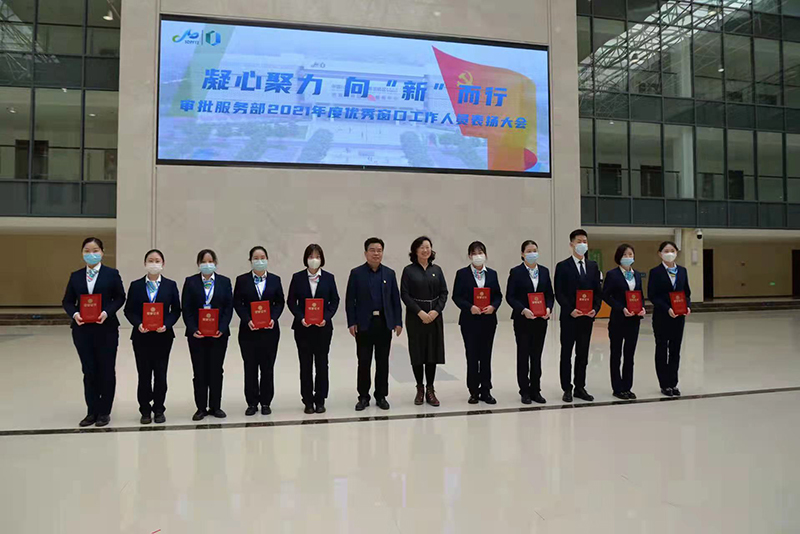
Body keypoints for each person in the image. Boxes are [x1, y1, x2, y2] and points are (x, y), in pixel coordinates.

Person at [62, 237, 126, 427]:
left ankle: (104, 412)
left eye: (95, 250)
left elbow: (120, 297)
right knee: (89, 370)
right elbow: (67, 301)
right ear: (82, 253)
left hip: (106, 329)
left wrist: (106, 312)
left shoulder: (111, 274)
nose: (91, 254)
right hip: (82, 330)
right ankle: (91, 411)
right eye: (87, 251)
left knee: (106, 369)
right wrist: (75, 314)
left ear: (102, 252)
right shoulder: (75, 276)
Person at [123, 249, 182, 424]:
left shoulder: (170, 285)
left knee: (161, 374)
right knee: (144, 374)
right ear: (145, 264)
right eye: (150, 260)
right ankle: (145, 410)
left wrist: (167, 324)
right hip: (141, 336)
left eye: (157, 261)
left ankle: (159, 408)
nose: (154, 264)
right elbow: (129, 310)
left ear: (163, 264)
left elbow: (176, 310)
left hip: (163, 336)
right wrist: (138, 323)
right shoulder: (136, 285)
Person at [345, 237, 403, 411]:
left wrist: (398, 322)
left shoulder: (389, 274)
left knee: (382, 361)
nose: (376, 253)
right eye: (372, 250)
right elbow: (350, 300)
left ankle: (381, 395)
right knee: (364, 361)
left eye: (379, 250)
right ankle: (363, 396)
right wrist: (351, 322)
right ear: (365, 253)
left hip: (384, 323)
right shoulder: (356, 273)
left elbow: (395, 300)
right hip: (364, 324)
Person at [287, 244, 340, 414]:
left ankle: (321, 399)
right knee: (305, 364)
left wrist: (326, 317)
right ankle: (308, 400)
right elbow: (291, 301)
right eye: (311, 256)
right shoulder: (297, 278)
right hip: (303, 328)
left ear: (322, 259)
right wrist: (301, 317)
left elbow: (335, 300)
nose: (314, 259)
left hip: (323, 328)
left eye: (317, 256)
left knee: (322, 363)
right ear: (306, 259)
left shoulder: (329, 278)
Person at [182, 249, 234, 421]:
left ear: (215, 263)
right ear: (198, 264)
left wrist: (222, 327)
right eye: (203, 261)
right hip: (197, 335)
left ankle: (215, 406)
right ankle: (200, 408)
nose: (207, 264)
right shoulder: (190, 282)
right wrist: (193, 328)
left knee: (216, 370)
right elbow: (186, 308)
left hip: (219, 334)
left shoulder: (224, 282)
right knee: (199, 371)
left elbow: (228, 307)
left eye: (210, 261)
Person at [233, 246, 285, 416]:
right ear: (250, 261)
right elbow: (238, 303)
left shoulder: (275, 280)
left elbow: (279, 302)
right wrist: (247, 320)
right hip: (248, 332)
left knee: (267, 368)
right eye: (256, 258)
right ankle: (252, 403)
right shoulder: (242, 280)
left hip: (270, 331)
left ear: (267, 259)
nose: (259, 261)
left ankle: (266, 402)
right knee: (250, 368)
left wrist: (273, 318)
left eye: (262, 257)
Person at [452, 241, 503, 404]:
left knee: (486, 356)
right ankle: (473, 390)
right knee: (472, 356)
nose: (478, 256)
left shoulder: (492, 274)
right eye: (474, 253)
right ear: (469, 256)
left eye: (480, 253)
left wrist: (493, 306)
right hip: (469, 321)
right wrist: (470, 307)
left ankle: (486, 390)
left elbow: (498, 295)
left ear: (485, 255)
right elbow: (456, 296)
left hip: (488, 321)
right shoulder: (462, 274)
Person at [554, 229, 602, 403]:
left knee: (583, 353)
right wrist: (570, 309)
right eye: (579, 241)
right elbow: (559, 292)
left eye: (585, 241)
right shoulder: (562, 266)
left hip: (587, 318)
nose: (582, 244)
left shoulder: (593, 266)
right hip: (570, 317)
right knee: (566, 353)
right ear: (571, 244)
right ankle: (567, 388)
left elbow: (598, 291)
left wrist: (595, 309)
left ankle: (580, 387)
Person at [401, 236, 449, 407]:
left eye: (428, 247)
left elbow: (444, 293)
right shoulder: (408, 271)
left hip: (434, 317)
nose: (425, 250)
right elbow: (404, 294)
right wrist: (420, 312)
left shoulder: (437, 269)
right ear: (415, 250)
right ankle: (419, 388)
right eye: (421, 247)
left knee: (432, 352)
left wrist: (436, 311)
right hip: (416, 317)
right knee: (417, 352)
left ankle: (430, 388)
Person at [506, 240, 554, 405]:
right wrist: (523, 310)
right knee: (523, 355)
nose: (532, 253)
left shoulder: (544, 271)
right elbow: (510, 296)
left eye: (535, 250)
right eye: (528, 251)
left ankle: (536, 390)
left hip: (540, 320)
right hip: (523, 320)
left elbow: (549, 295)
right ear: (522, 254)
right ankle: (524, 391)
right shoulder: (516, 272)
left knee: (536, 356)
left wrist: (548, 308)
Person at [602, 244, 646, 400]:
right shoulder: (612, 274)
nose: (628, 257)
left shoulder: (637, 275)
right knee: (616, 354)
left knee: (629, 354)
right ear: (619, 257)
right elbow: (606, 295)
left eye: (630, 254)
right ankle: (617, 388)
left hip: (634, 320)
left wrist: (642, 308)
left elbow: (640, 295)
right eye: (625, 254)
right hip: (618, 320)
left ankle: (627, 386)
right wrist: (621, 308)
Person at [648, 241, 691, 397]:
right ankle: (664, 384)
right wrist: (667, 308)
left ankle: (673, 383)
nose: (669, 253)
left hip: (678, 317)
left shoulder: (683, 271)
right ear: (660, 254)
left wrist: (687, 306)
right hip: (662, 316)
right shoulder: (655, 272)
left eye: (672, 250)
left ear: (677, 252)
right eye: (666, 251)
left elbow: (686, 293)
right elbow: (653, 295)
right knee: (661, 349)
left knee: (675, 350)